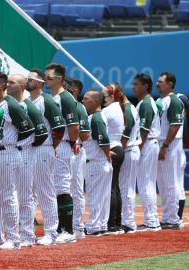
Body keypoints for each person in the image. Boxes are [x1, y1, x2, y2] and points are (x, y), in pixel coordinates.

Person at [0, 70, 35, 250]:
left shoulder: (11, 104)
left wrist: (14, 144)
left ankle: (13, 238)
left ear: (3, 85)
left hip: (7, 152)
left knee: (8, 196)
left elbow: (28, 128)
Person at [7, 74, 47, 247]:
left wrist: (28, 145)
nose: (7, 85)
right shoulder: (8, 103)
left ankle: (28, 235)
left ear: (22, 86)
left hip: (25, 152)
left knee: (25, 195)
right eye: (7, 82)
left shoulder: (29, 106)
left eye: (11, 82)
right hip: (10, 152)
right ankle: (11, 234)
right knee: (9, 195)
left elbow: (42, 133)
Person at [26, 68, 65, 246]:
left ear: (40, 82)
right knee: (27, 192)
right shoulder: (25, 101)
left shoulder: (47, 100)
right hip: (28, 149)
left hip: (44, 147)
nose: (28, 80)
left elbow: (59, 128)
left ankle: (51, 232)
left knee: (46, 191)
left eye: (32, 78)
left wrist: (52, 146)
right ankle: (27, 233)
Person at [44, 63, 78, 243]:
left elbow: (74, 127)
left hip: (62, 144)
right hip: (52, 145)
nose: (45, 80)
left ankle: (68, 230)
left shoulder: (65, 97)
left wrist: (70, 143)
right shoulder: (51, 96)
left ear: (59, 79)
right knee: (54, 188)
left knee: (62, 186)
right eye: (45, 76)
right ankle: (59, 227)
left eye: (49, 77)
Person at [110, 83, 142, 234]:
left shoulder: (127, 110)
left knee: (126, 187)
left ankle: (128, 221)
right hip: (130, 150)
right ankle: (126, 220)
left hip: (128, 149)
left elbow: (125, 136)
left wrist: (119, 157)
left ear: (120, 94)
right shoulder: (130, 107)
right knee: (125, 187)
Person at [82, 90, 113, 237]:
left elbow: (103, 140)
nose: (83, 100)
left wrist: (107, 155)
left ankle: (94, 226)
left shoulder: (96, 118)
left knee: (95, 195)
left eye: (86, 98)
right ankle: (100, 225)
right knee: (102, 196)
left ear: (95, 101)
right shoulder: (97, 117)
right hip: (100, 161)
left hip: (96, 162)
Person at [132, 73, 161, 232]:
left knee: (146, 183)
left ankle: (151, 221)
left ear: (145, 86)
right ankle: (152, 219)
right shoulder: (145, 103)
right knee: (147, 183)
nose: (133, 87)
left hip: (147, 143)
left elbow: (143, 130)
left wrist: (138, 149)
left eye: (136, 84)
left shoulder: (146, 104)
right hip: (149, 144)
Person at [156, 71, 184, 230]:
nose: (157, 84)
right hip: (161, 143)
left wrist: (165, 146)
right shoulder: (160, 100)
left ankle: (173, 218)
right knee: (163, 183)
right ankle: (167, 216)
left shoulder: (174, 101)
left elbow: (175, 125)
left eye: (160, 81)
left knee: (171, 182)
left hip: (170, 144)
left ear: (170, 84)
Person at [64, 77, 90, 239]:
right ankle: (65, 226)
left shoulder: (78, 107)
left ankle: (78, 227)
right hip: (64, 149)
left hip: (76, 149)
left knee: (76, 190)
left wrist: (75, 141)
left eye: (66, 87)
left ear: (74, 91)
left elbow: (85, 134)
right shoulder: (61, 105)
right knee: (62, 189)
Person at [101, 83, 125, 234]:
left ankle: (111, 223)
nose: (101, 99)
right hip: (118, 147)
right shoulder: (118, 108)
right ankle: (116, 223)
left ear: (111, 96)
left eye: (103, 96)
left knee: (110, 188)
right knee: (115, 187)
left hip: (112, 148)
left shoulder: (108, 110)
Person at [175, 92, 189, 227]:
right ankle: (177, 217)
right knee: (178, 186)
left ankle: (176, 217)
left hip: (177, 153)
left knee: (176, 186)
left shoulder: (180, 118)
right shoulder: (185, 117)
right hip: (180, 153)